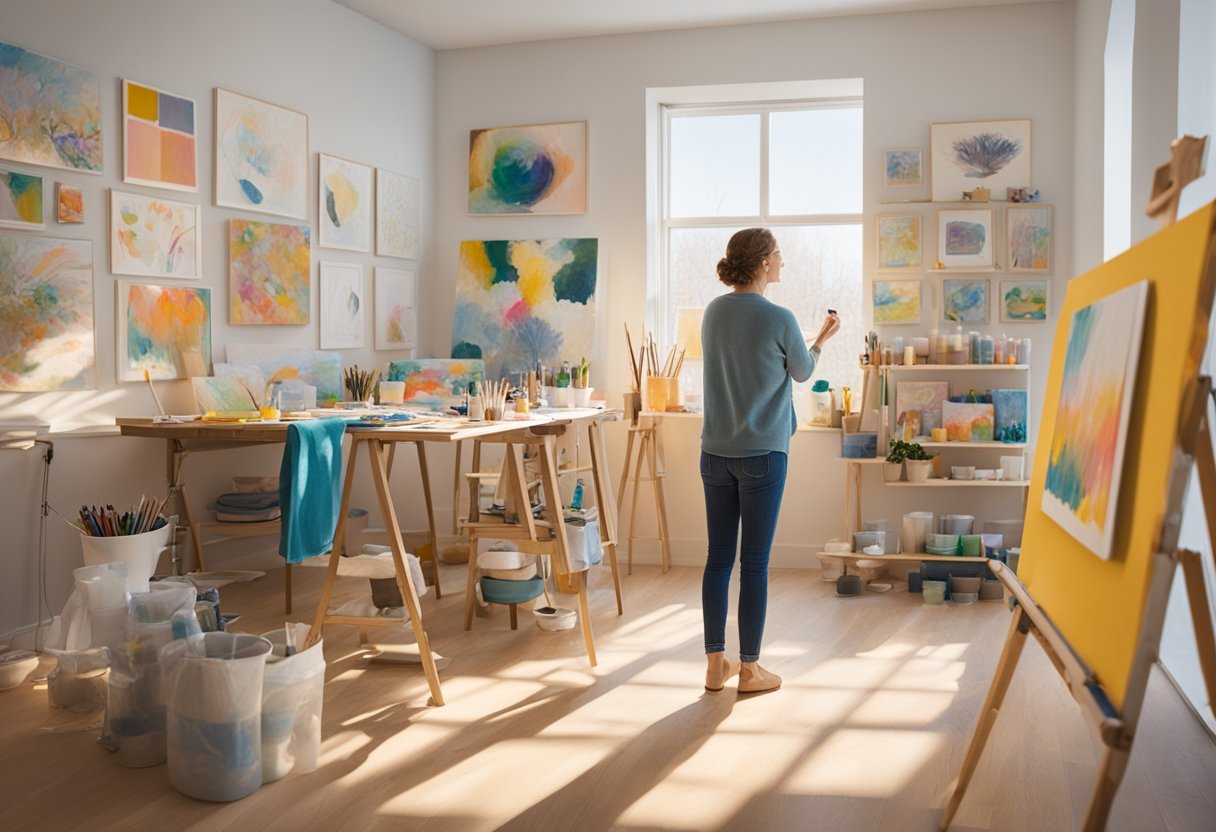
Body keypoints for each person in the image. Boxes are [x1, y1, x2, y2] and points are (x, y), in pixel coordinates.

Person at [700, 227, 840, 694]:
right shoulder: (780, 317)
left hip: (714, 452)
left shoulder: (713, 312)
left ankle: (714, 664)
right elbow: (802, 371)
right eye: (778, 254)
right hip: (763, 453)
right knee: (753, 565)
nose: (782, 261)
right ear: (762, 264)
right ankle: (751, 670)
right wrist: (820, 339)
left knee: (717, 559)